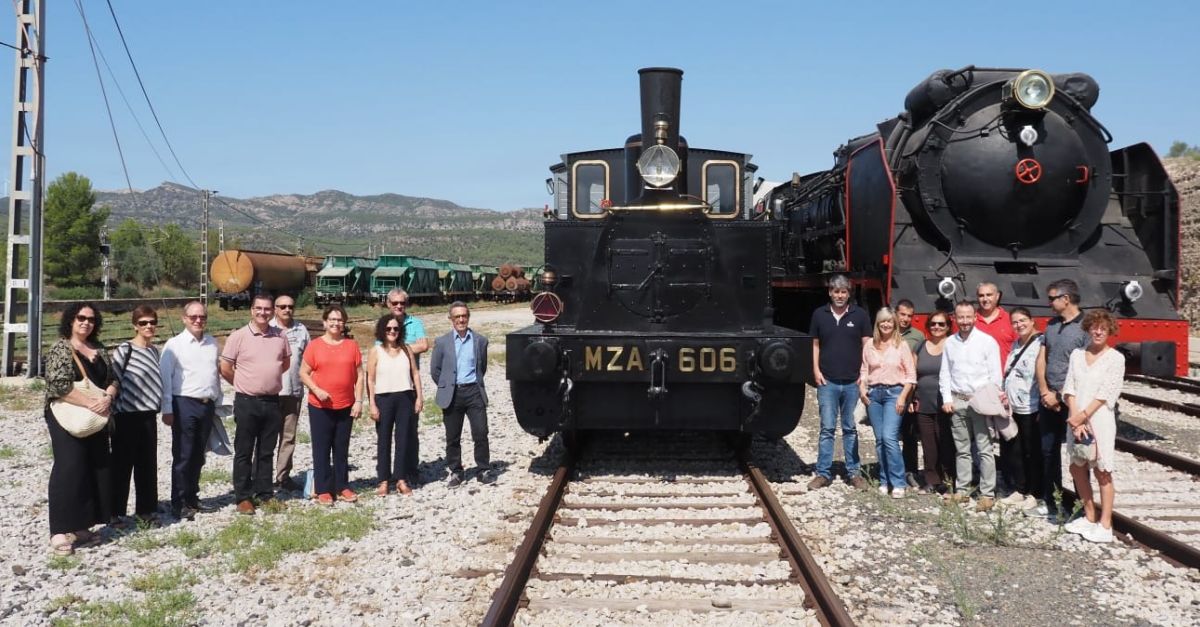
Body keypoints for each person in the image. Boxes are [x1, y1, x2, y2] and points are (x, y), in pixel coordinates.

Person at [45, 303, 118, 555]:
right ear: (70, 320)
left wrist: (107, 398)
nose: (86, 323)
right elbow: (58, 385)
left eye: (91, 319)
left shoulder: (99, 349)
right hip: (68, 415)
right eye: (81, 318)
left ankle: (81, 526)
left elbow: (113, 379)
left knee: (95, 467)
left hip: (97, 415)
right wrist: (91, 403)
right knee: (69, 468)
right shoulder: (60, 348)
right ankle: (58, 530)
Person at [220, 294, 292, 515]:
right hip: (246, 401)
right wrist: (244, 384)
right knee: (244, 450)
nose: (263, 312)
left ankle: (265, 493)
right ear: (252, 310)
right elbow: (225, 367)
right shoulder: (238, 336)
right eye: (259, 308)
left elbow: (285, 363)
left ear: (272, 312)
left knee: (266, 451)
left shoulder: (280, 336)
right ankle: (243, 496)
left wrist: (266, 381)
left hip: (271, 401)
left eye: (267, 309)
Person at [1026, 279, 1088, 521]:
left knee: (1078, 455)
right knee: (1048, 452)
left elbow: (1085, 366)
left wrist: (1062, 395)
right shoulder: (1051, 325)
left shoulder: (1085, 326)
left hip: (1074, 401)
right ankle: (1052, 502)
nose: (1049, 302)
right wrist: (1044, 392)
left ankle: (1083, 507)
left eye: (1052, 298)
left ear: (1066, 299)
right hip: (1049, 398)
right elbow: (1042, 359)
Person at [1061, 310, 1125, 543]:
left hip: (1099, 421)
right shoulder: (1077, 355)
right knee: (1076, 467)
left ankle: (1105, 524)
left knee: (1102, 472)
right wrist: (1075, 417)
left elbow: (1107, 394)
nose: (1098, 332)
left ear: (1109, 332)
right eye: (1094, 327)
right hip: (1076, 418)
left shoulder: (1116, 359)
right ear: (1088, 329)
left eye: (1103, 329)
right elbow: (1069, 388)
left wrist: (1083, 417)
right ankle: (1089, 516)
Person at [807, 275, 871, 490]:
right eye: (836, 291)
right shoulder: (819, 315)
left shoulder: (859, 315)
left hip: (853, 381)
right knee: (826, 428)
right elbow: (815, 345)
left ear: (849, 293)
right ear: (830, 292)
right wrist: (815, 370)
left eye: (843, 292)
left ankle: (854, 472)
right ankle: (823, 473)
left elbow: (867, 346)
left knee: (850, 428)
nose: (840, 295)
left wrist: (864, 373)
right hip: (828, 381)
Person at [160, 301, 222, 521]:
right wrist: (167, 408)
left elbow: (215, 375)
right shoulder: (174, 345)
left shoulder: (212, 343)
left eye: (202, 317)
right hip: (184, 403)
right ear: (184, 319)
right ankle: (179, 502)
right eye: (194, 317)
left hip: (207, 405)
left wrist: (218, 402)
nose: (198, 320)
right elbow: (165, 379)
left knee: (198, 454)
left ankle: (192, 498)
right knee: (184, 454)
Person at [939, 300, 1004, 511]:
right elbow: (945, 372)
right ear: (955, 319)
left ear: (975, 317)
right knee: (962, 449)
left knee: (985, 448)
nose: (965, 321)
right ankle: (963, 490)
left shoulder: (987, 342)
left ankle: (987, 493)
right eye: (961, 317)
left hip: (980, 400)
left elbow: (996, 375)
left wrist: (990, 399)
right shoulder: (950, 342)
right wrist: (947, 399)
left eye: (968, 317)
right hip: (958, 399)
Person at [300, 305, 365, 505]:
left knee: (341, 448)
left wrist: (359, 401)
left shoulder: (351, 346)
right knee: (321, 448)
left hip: (345, 405)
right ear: (325, 322)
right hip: (320, 406)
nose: (336, 323)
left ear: (344, 323)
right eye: (332, 319)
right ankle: (323, 489)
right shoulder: (315, 346)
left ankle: (342, 485)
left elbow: (360, 374)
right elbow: (303, 373)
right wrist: (316, 389)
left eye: (340, 320)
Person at [110, 305, 163, 525]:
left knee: (147, 465)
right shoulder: (125, 349)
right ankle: (114, 512)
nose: (148, 326)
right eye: (143, 323)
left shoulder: (154, 351)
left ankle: (146, 510)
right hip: (126, 416)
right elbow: (113, 378)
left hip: (148, 415)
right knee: (122, 465)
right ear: (135, 326)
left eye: (152, 322)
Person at [430, 301, 493, 487]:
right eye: (457, 316)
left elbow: (482, 367)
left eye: (464, 316)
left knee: (481, 432)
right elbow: (435, 370)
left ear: (468, 317)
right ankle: (456, 471)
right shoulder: (442, 342)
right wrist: (447, 386)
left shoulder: (480, 341)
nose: (461, 319)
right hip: (453, 393)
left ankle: (483, 469)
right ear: (451, 319)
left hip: (474, 391)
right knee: (453, 436)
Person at [859, 308, 916, 498]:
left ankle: (898, 481)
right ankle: (885, 480)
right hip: (873, 395)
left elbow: (911, 376)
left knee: (890, 437)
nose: (886, 325)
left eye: (889, 322)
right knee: (880, 440)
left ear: (894, 324)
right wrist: (862, 389)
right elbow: (864, 370)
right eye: (883, 321)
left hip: (894, 394)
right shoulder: (869, 345)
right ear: (878, 323)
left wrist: (902, 397)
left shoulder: (902, 345)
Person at [368, 314, 424, 496]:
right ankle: (383, 481)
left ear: (400, 331)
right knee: (383, 440)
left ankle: (400, 479)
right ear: (382, 330)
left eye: (396, 329)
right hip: (383, 399)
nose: (392, 332)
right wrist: (372, 404)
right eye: (388, 329)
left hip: (405, 397)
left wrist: (419, 397)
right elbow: (370, 379)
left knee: (403, 439)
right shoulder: (376, 351)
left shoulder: (406, 349)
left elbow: (415, 374)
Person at [382, 288, 428, 484]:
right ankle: (388, 473)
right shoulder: (384, 324)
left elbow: (424, 345)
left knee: (410, 429)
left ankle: (411, 469)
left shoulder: (415, 323)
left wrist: (397, 347)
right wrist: (409, 348)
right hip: (387, 386)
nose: (399, 306)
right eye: (395, 303)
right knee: (385, 431)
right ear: (388, 304)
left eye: (402, 303)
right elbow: (378, 349)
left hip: (409, 385)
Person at [999, 307, 1042, 509]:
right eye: (1015, 322)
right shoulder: (1016, 344)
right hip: (1013, 407)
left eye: (1023, 320)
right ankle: (1020, 488)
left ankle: (1035, 492)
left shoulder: (1040, 344)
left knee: (1031, 450)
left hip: (1031, 406)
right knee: (1015, 450)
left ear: (1032, 321)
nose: (1019, 325)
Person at [269, 294, 310, 492]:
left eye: (290, 306)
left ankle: (283, 476)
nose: (287, 309)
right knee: (267, 437)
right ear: (275, 308)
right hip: (270, 392)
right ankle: (262, 477)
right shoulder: (267, 328)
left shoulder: (301, 330)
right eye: (282, 306)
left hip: (293, 391)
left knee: (288, 437)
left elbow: (309, 359)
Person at [911, 310, 955, 493]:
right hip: (924, 402)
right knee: (928, 444)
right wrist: (912, 397)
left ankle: (948, 479)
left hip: (945, 403)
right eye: (933, 324)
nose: (936, 327)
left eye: (941, 324)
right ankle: (931, 479)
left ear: (948, 327)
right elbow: (912, 374)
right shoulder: (921, 346)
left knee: (945, 441)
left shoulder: (953, 345)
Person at [895, 299, 925, 488]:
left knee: (909, 433)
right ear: (895, 313)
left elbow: (920, 367)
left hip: (908, 391)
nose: (905, 319)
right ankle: (889, 469)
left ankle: (910, 471)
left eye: (909, 316)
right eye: (902, 314)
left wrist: (915, 395)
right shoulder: (886, 331)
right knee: (887, 435)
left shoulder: (918, 336)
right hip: (889, 388)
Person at [974, 282, 1017, 369]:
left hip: (1003, 377)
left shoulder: (1010, 320)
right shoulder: (970, 320)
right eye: (981, 295)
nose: (985, 299)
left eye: (989, 295)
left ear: (997, 296)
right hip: (975, 378)